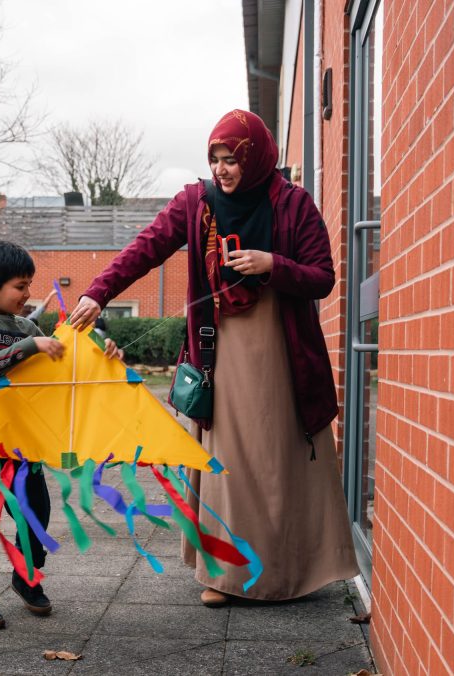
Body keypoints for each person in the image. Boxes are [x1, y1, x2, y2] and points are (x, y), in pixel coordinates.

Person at [69, 110, 358, 606]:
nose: (222, 169)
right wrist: (98, 293)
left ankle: (289, 570)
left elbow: (323, 276)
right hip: (219, 349)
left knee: (278, 459)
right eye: (215, 159)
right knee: (228, 457)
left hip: (283, 350)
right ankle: (225, 575)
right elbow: (146, 249)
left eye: (232, 159)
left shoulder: (294, 204)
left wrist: (273, 264)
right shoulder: (195, 202)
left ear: (256, 156)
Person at [0, 240, 122, 629]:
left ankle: (25, 576)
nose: (28, 294)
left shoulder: (27, 326)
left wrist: (104, 352)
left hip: (22, 440)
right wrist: (31, 345)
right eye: (20, 286)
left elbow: (65, 366)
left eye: (30, 285)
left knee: (36, 511)